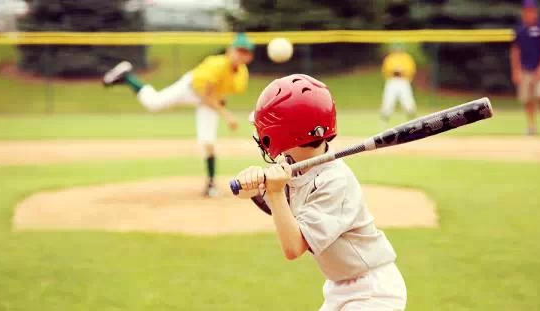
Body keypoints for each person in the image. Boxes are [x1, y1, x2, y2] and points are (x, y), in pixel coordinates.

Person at [235, 74, 407, 310]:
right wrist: (251, 183)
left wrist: (275, 193)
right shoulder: (293, 164)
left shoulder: (335, 181)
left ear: (285, 132)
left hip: (372, 292)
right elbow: (257, 199)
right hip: (338, 288)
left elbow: (293, 247)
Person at [102, 33, 255, 197]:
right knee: (153, 102)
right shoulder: (216, 64)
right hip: (190, 89)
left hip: (207, 100)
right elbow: (204, 95)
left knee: (208, 141)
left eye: (245, 52)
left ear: (250, 56)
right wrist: (226, 115)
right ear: (229, 50)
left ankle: (210, 185)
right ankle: (127, 77)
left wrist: (221, 104)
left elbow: (220, 93)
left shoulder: (242, 75)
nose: (241, 55)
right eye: (238, 50)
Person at [511, 0, 540, 135]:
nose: (529, 13)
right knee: (528, 100)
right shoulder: (519, 30)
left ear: (536, 11)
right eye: (526, 11)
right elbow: (515, 51)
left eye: (531, 10)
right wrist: (516, 70)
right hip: (525, 70)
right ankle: (531, 128)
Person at [381, 42, 417, 123]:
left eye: (399, 48)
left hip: (403, 80)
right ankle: (385, 115)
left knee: (407, 98)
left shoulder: (407, 58)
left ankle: (410, 113)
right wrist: (393, 71)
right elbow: (385, 70)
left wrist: (403, 72)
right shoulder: (390, 58)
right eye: (396, 48)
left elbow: (411, 69)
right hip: (392, 80)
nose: (398, 50)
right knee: (388, 98)